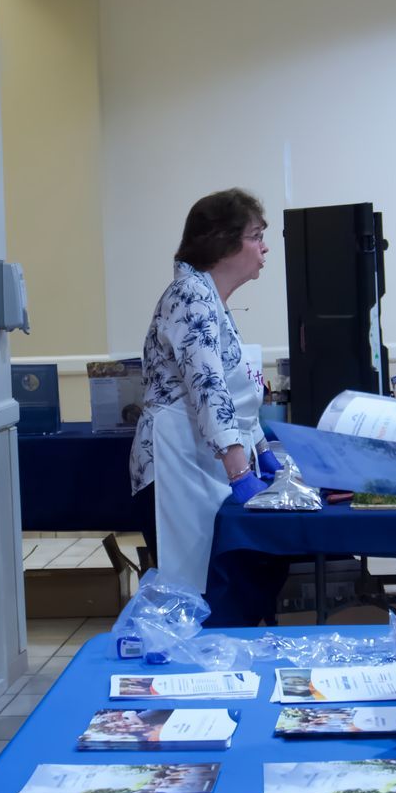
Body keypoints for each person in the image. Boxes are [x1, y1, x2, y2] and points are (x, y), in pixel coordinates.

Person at [129, 189, 281, 624]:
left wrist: (262, 452)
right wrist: (240, 472)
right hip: (175, 466)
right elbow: (207, 388)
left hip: (200, 462)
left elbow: (236, 390)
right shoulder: (190, 296)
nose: (264, 247)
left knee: (232, 588)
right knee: (196, 599)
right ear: (222, 242)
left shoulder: (210, 297)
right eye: (255, 236)